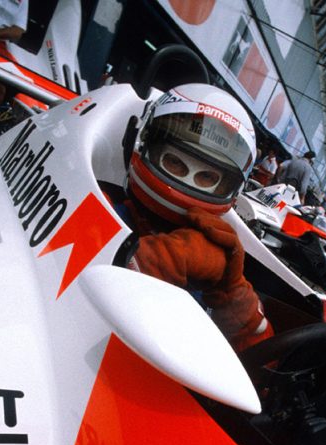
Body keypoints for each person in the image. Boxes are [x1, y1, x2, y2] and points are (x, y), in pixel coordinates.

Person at [117, 83, 273, 352]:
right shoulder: (106, 209)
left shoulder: (217, 250)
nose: (187, 182)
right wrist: (162, 260)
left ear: (230, 189)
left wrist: (231, 292)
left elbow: (265, 361)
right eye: (175, 163)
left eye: (207, 178)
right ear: (142, 145)